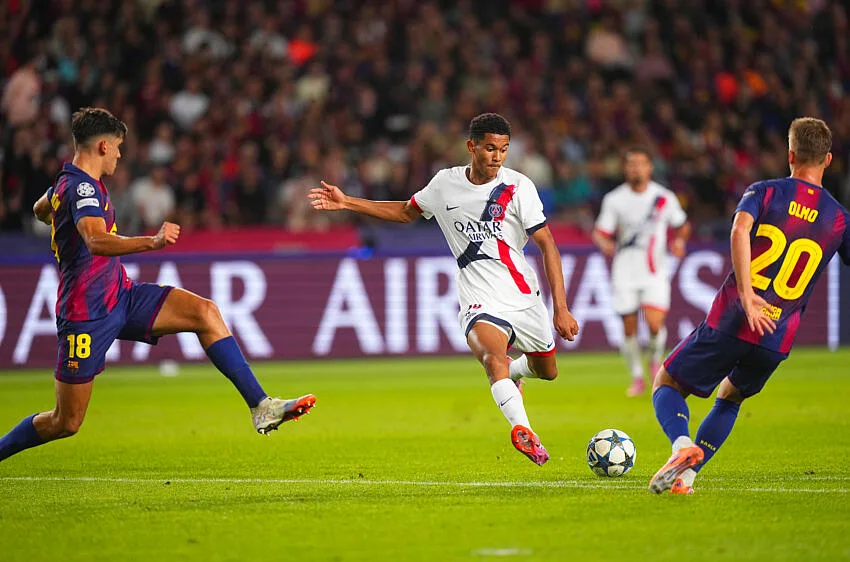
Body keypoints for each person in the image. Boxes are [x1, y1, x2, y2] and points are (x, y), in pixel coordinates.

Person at [0, 108, 316, 464]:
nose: (120, 155)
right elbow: (95, 241)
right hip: (85, 314)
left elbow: (40, 207)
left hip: (121, 296)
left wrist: (55, 217)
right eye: (118, 147)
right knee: (66, 422)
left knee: (205, 312)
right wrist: (152, 242)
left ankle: (261, 406)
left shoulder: (64, 183)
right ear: (103, 146)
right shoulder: (83, 187)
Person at [308, 113, 580, 465]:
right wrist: (348, 202)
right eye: (489, 149)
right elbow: (407, 212)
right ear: (471, 147)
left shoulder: (519, 187)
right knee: (491, 357)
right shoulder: (444, 184)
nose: (497, 157)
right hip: (479, 299)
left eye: (503, 150)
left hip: (523, 297)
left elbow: (548, 245)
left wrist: (561, 306)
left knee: (547, 371)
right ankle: (523, 429)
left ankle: (515, 373)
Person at [648, 117, 850, 494]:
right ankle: (685, 480)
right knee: (731, 397)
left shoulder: (766, 192)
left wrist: (747, 294)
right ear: (828, 160)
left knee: (667, 381)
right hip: (777, 338)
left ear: (790, 155)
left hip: (732, 320)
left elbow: (740, 229)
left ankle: (681, 446)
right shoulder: (839, 217)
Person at [591, 148, 691, 396]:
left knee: (655, 324)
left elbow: (682, 225)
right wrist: (605, 244)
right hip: (624, 270)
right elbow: (601, 232)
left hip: (654, 270)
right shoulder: (614, 199)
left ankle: (656, 363)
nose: (636, 168)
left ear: (650, 168)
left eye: (641, 164)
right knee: (629, 327)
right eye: (631, 164)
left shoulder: (664, 197)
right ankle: (637, 377)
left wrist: (679, 242)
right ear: (626, 169)